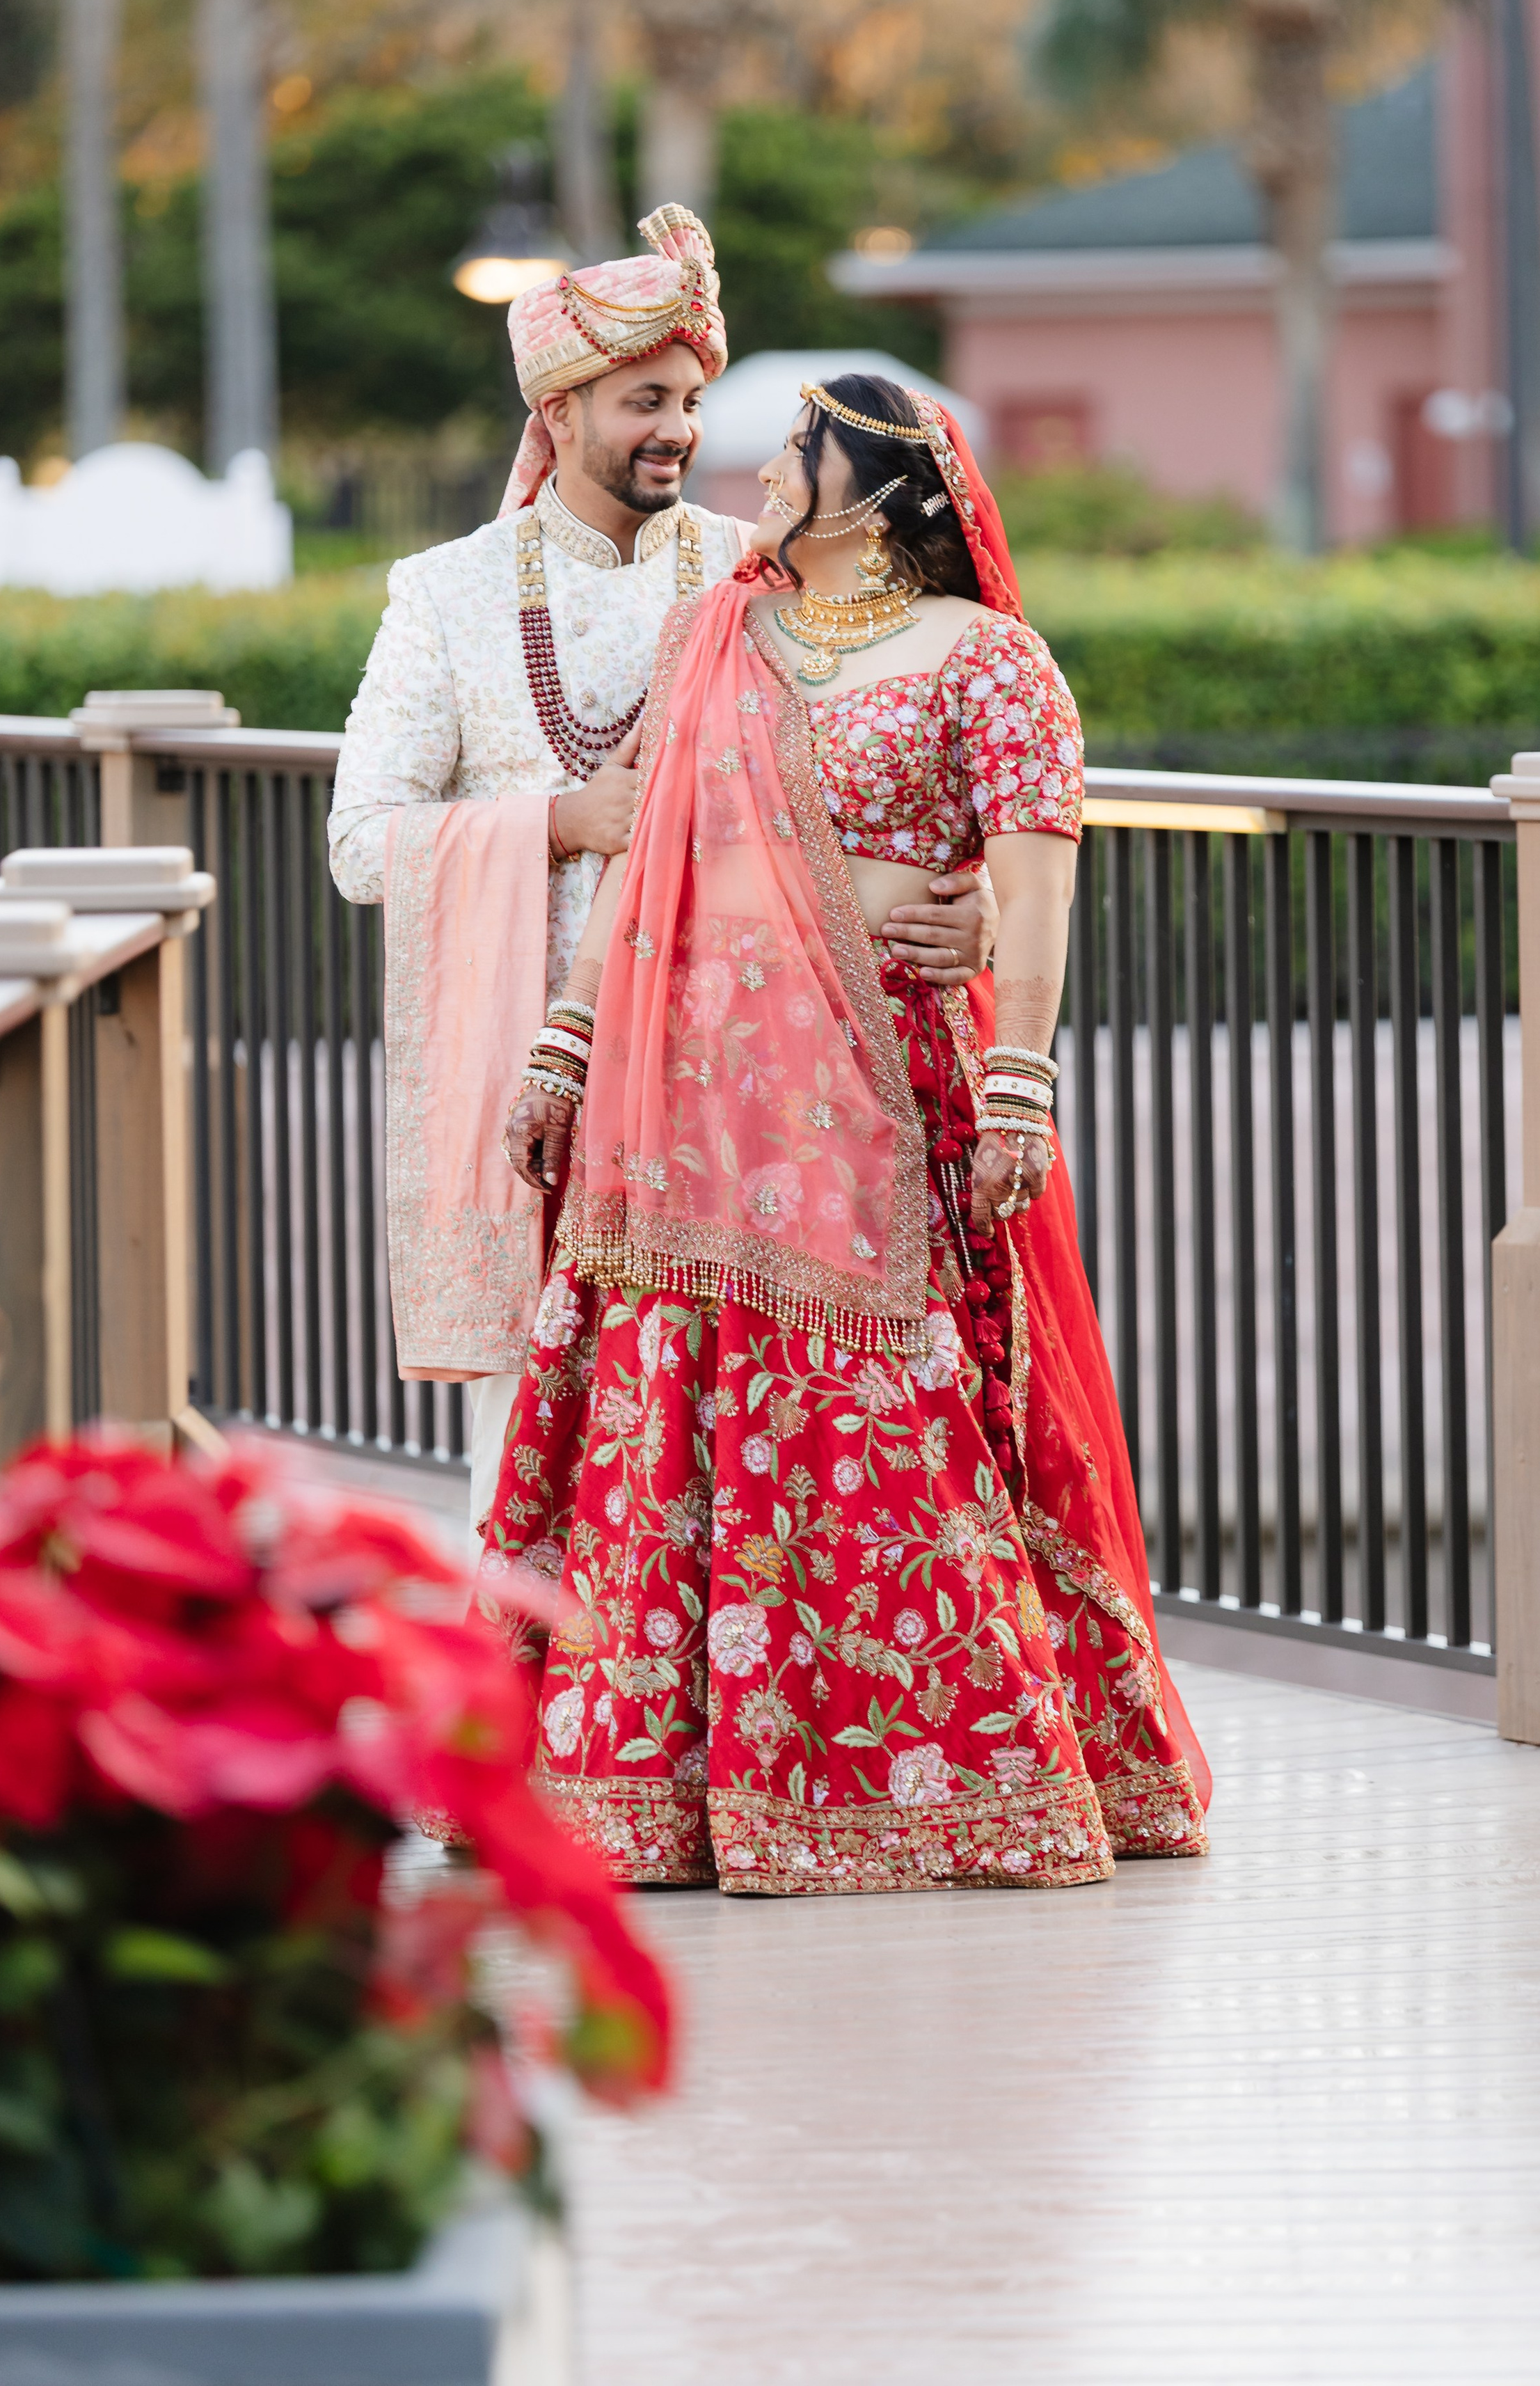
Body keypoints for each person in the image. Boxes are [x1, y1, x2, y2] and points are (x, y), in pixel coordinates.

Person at [479, 372, 1210, 1897]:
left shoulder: (989, 664)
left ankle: (927, 1770)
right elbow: (643, 866)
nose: (759, 471)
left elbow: (1035, 889)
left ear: (879, 495)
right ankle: (651, 1790)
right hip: (683, 1096)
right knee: (660, 1412)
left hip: (881, 1096)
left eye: (798, 451)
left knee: (896, 1414)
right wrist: (561, 1044)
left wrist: (1018, 1076)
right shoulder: (713, 640)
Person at [327, 214, 993, 1516]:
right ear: (560, 412)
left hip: (732, 1076)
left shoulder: (757, 579)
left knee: (716, 1443)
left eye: (689, 400)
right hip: (540, 1067)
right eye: (645, 402)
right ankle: (522, 1709)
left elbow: (881, 772)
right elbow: (361, 842)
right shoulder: (449, 596)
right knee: (532, 1436)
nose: (680, 431)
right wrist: (564, 824)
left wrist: (958, 918)